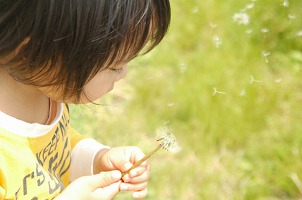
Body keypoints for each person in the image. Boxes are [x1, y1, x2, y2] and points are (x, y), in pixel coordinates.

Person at [0, 0, 171, 199]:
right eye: (115, 66)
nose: (123, 73)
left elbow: (54, 150)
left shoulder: (43, 92)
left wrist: (96, 159)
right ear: (30, 53)